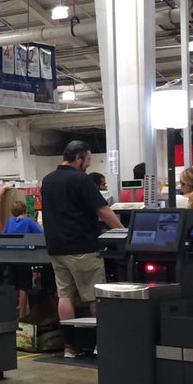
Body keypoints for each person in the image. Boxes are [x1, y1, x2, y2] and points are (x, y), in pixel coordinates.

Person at [40, 141, 122, 351]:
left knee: (65, 296)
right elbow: (103, 210)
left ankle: (70, 346)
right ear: (78, 157)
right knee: (95, 297)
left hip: (56, 248)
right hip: (82, 247)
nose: (89, 164)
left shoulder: (47, 180)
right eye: (88, 159)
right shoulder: (80, 179)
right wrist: (124, 233)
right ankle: (100, 345)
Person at [2, 201, 43, 318]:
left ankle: (10, 313)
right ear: (25, 210)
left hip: (10, 257)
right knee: (23, 286)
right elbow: (41, 234)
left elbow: (2, 235)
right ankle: (22, 315)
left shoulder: (9, 221)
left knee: (12, 285)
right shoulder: (28, 222)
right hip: (24, 257)